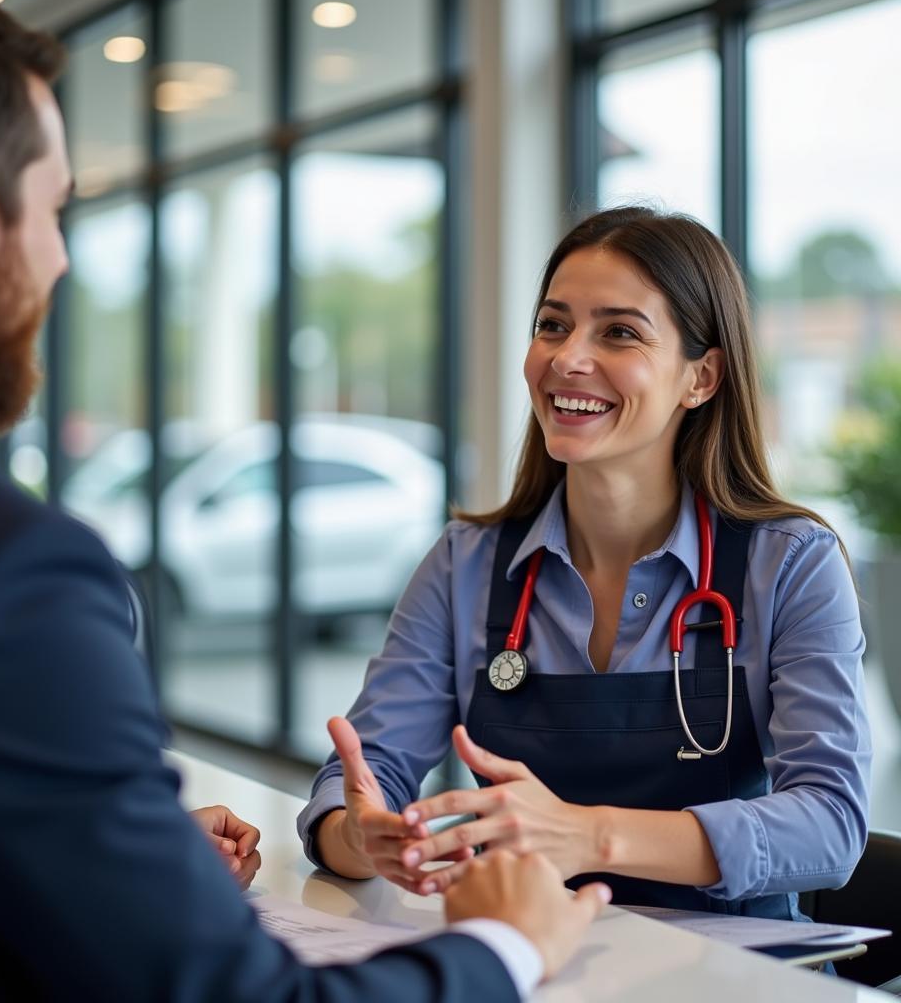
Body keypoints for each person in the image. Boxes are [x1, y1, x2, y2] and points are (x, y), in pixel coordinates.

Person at [0, 0, 609, 1000]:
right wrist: (504, 947)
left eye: (619, 331)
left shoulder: (785, 560)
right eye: (52, 209)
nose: (61, 256)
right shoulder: (0, 569)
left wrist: (100, 840)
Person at [300, 205, 873, 921]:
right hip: (522, 957)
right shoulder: (463, 565)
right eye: (552, 324)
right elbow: (366, 773)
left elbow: (830, 825)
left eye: (620, 332)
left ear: (702, 378)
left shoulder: (790, 566)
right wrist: (360, 836)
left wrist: (587, 834)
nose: (568, 358)